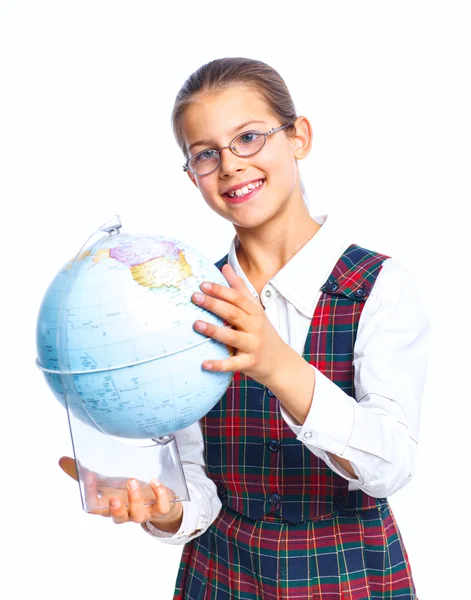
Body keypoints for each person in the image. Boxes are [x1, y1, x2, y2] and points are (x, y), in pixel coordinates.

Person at [61, 57, 431, 599]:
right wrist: (165, 510)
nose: (231, 165)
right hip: (222, 574)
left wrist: (281, 367)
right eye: (206, 154)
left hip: (351, 573)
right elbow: (198, 487)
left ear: (299, 137)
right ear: (192, 175)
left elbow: (390, 468)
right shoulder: (186, 298)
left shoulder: (380, 286)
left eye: (250, 138)